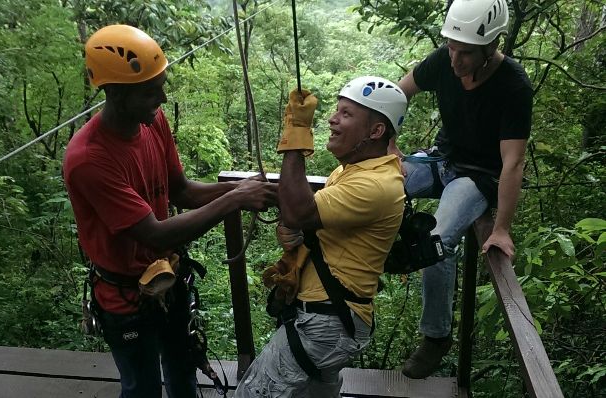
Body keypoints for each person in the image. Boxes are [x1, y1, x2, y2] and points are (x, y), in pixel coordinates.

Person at [63, 24, 278, 398]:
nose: (162, 98)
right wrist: (235, 199)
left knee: (182, 374)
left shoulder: (152, 121)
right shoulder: (89, 159)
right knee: (142, 388)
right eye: (150, 91)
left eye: (161, 85)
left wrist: (242, 189)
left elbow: (182, 191)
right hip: (126, 297)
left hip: (169, 278)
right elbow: (154, 232)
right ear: (114, 92)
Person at [234, 76, 408, 397]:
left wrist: (297, 134)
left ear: (375, 131)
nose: (332, 118)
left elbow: (299, 212)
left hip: (326, 321)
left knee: (253, 393)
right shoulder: (349, 171)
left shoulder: (375, 184)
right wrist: (296, 232)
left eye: (346, 113)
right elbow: (309, 221)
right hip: (334, 315)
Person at [389, 0, 533, 379]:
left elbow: (513, 162)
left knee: (437, 239)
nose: (455, 60)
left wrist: (500, 228)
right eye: (452, 47)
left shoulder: (513, 86)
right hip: (441, 159)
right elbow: (398, 92)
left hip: (478, 177)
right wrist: (390, 146)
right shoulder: (445, 59)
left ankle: (435, 337)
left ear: (490, 46)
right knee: (376, 182)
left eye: (465, 52)